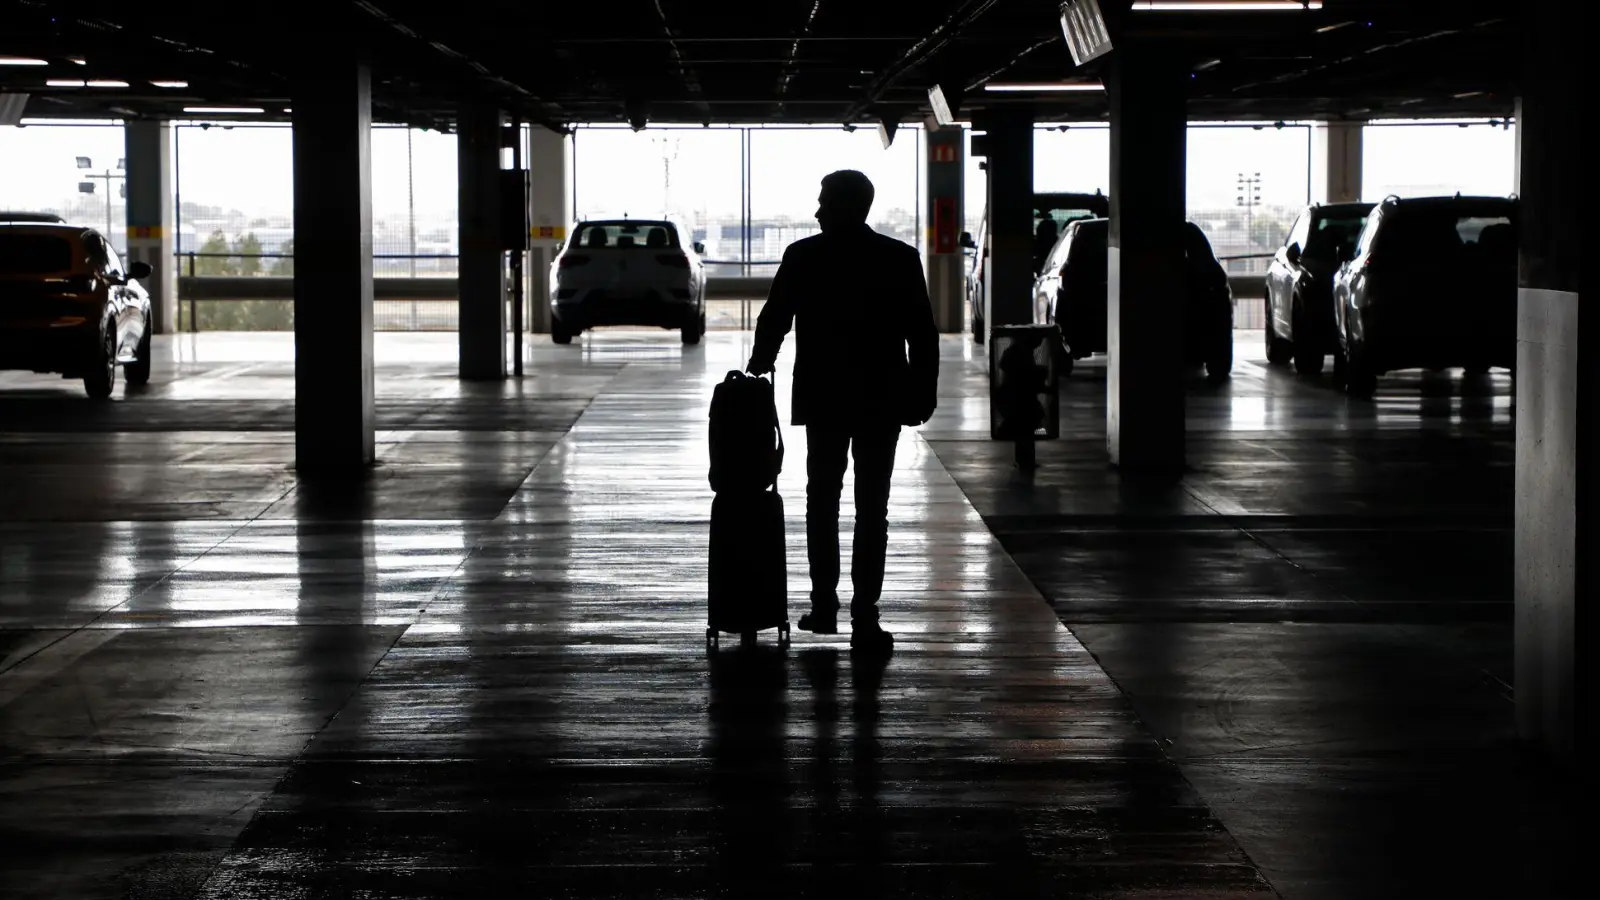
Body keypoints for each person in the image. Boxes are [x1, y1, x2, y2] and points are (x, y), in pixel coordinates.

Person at [745, 170, 939, 654]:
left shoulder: (805, 256)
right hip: (881, 398)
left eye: (824, 201)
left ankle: (825, 605)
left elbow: (775, 319)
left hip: (824, 396)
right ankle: (865, 616)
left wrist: (756, 371)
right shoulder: (898, 258)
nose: (817, 211)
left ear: (845, 206)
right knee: (873, 507)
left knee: (822, 502)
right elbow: (923, 333)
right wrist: (923, 392)